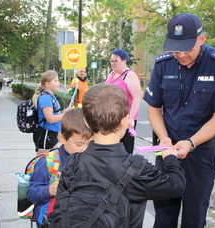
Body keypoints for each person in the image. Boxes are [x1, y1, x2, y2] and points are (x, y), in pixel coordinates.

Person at [143, 13, 215, 228]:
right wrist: (164, 138)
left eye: (187, 48)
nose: (181, 54)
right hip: (167, 151)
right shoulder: (163, 65)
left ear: (202, 39)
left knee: (194, 216)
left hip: (201, 153)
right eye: (175, 49)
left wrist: (191, 142)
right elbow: (154, 109)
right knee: (163, 214)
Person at [55, 83, 186, 227]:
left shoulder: (73, 162)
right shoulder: (137, 168)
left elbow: (61, 204)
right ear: (125, 120)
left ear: (86, 122)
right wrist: (170, 158)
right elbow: (176, 186)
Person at [27, 108, 93, 228]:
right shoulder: (48, 162)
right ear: (62, 139)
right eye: (79, 144)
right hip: (51, 221)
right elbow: (31, 194)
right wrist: (48, 190)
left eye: (90, 143)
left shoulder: (91, 159)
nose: (85, 149)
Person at [105, 49, 141, 154]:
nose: (113, 63)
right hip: (113, 117)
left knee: (125, 149)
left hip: (125, 119)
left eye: (116, 61)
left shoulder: (129, 75)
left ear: (124, 61)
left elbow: (137, 97)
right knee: (113, 148)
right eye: (111, 61)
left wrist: (131, 118)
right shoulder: (112, 73)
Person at [32, 70, 71, 155]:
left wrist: (63, 112)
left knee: (51, 163)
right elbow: (50, 119)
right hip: (46, 134)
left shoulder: (50, 96)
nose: (59, 83)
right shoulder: (46, 98)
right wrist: (65, 115)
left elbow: (53, 115)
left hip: (51, 134)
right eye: (56, 81)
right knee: (43, 163)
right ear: (47, 84)